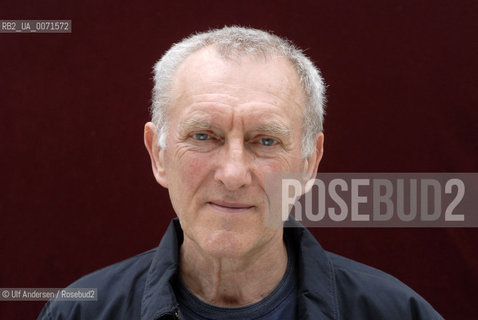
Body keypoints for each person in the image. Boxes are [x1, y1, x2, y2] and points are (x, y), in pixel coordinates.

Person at [38, 26, 444, 320]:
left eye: (265, 141)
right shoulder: (81, 312)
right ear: (158, 153)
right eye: (203, 135)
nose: (233, 174)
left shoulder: (397, 312)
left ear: (308, 163)